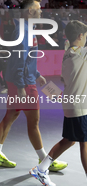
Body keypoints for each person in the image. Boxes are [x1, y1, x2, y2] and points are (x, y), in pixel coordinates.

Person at [0, 0, 67, 171]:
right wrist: (22, 86)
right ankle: (45, 161)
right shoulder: (23, 31)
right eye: (38, 8)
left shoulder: (25, 29)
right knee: (34, 122)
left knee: (10, 116)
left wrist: (36, 73)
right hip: (23, 83)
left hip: (22, 80)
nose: (41, 11)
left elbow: (26, 57)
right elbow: (18, 60)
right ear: (30, 11)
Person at [30, 20, 87, 186]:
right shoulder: (80, 54)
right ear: (80, 36)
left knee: (69, 140)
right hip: (78, 106)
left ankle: (41, 169)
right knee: (84, 143)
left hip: (71, 103)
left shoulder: (68, 52)